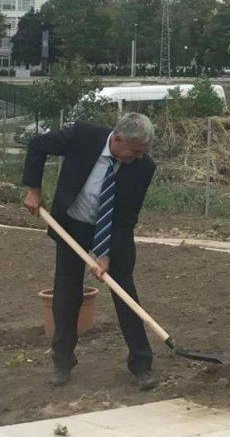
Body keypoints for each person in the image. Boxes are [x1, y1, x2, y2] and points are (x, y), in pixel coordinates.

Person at [22, 113, 158, 390]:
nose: (138, 156)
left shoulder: (143, 167)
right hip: (71, 227)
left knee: (125, 294)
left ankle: (141, 364)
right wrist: (33, 190)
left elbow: (125, 217)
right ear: (118, 139)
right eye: (134, 150)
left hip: (111, 230)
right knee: (66, 294)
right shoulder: (83, 136)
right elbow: (37, 145)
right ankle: (62, 361)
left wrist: (105, 254)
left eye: (143, 151)